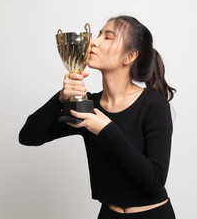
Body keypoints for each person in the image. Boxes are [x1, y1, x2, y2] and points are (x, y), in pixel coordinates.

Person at [19, 15, 176, 219]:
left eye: (107, 38)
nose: (93, 41)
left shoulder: (154, 105)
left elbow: (155, 181)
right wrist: (60, 98)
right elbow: (29, 137)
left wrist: (107, 129)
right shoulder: (88, 107)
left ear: (129, 56)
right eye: (99, 34)